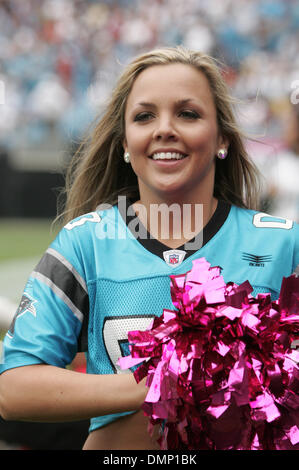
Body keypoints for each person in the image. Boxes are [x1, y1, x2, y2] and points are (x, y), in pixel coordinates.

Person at [0, 46, 298, 451]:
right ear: (126, 143)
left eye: (188, 114)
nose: (164, 129)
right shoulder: (85, 242)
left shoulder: (283, 243)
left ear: (222, 137)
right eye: (144, 116)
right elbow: (14, 388)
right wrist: (163, 382)